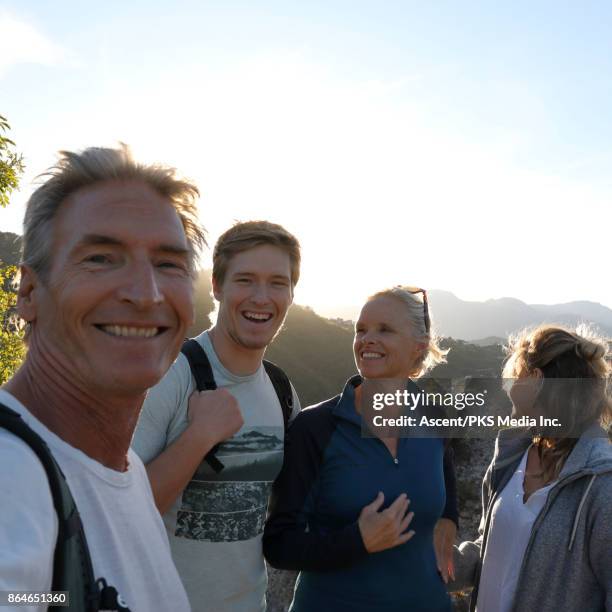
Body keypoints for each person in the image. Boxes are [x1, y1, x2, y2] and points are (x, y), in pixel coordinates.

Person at [0, 145, 206, 611]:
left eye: (169, 264)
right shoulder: (10, 473)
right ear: (29, 292)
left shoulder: (121, 467)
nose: (146, 294)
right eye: (100, 258)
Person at [132, 221, 301, 612]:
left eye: (278, 282)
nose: (262, 297)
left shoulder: (281, 390)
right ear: (217, 286)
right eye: (245, 280)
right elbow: (118, 511)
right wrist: (197, 438)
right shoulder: (169, 375)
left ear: (292, 293)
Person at [263, 286, 457, 612]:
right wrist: (357, 541)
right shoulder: (316, 428)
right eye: (361, 329)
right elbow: (279, 544)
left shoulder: (435, 417)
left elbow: (443, 465)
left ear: (418, 347)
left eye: (385, 330)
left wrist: (449, 517)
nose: (366, 339)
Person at [451, 324, 612, 612]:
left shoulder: (601, 483)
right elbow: (493, 548)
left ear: (537, 381)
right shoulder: (511, 455)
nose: (507, 387)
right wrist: (435, 562)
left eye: (514, 378)